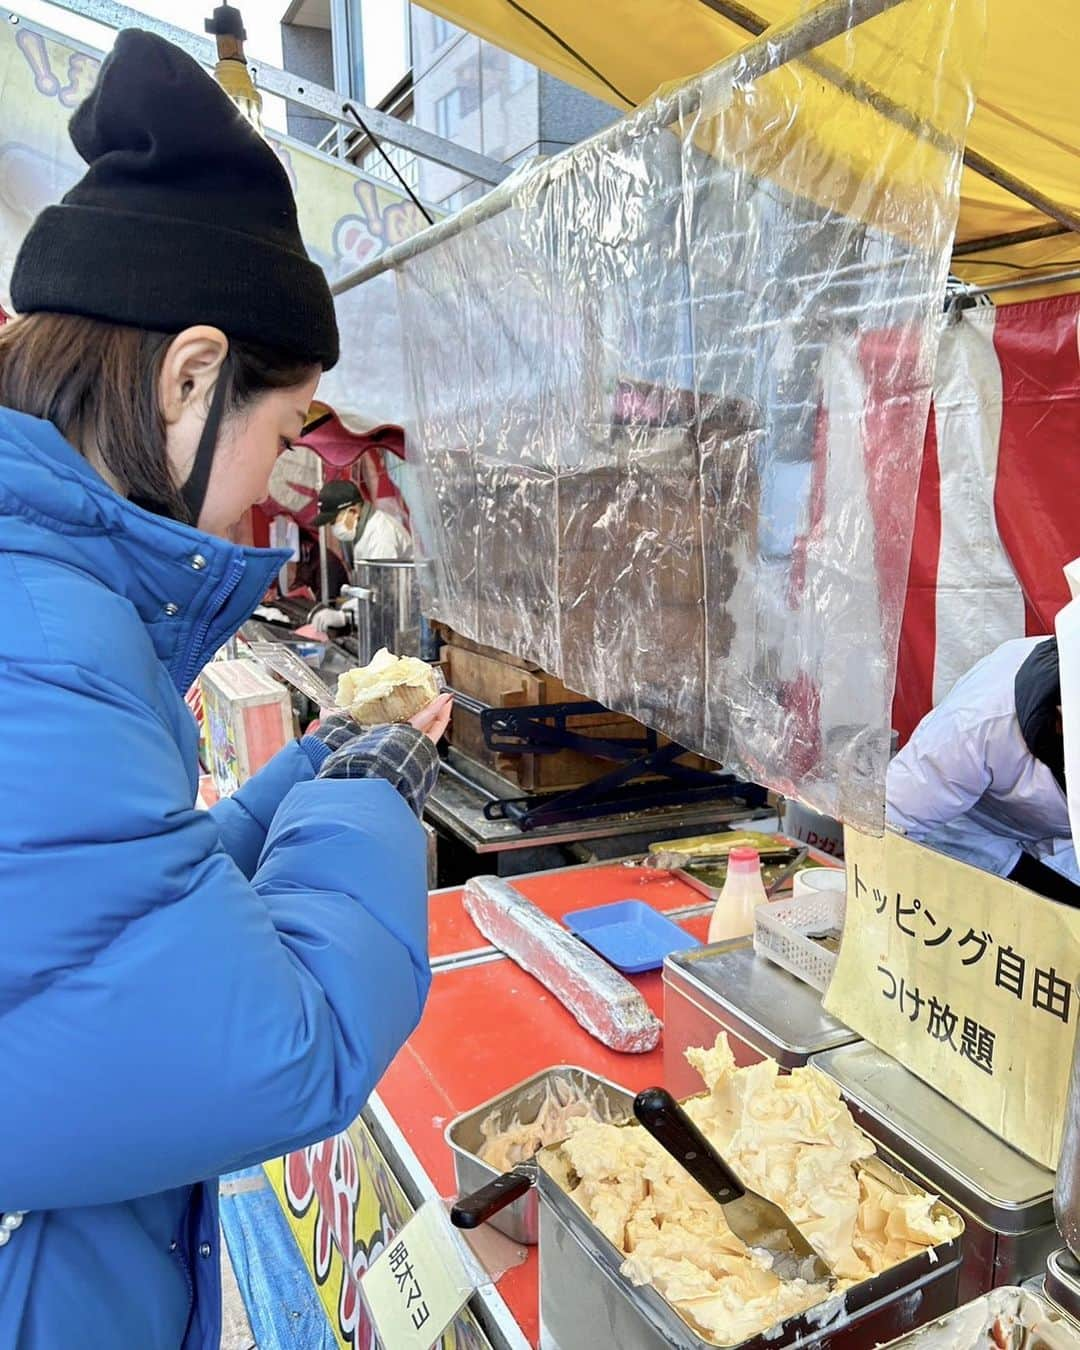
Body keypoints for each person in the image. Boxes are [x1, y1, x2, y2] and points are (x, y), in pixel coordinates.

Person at [0, 31, 451, 1349]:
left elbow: (108, 932)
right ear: (192, 374)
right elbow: (283, 1046)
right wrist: (368, 795)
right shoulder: (43, 628)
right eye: (282, 426)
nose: (274, 480)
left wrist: (306, 774)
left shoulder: (47, 588)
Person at [887, 635, 1080, 905]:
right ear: (1062, 718)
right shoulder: (976, 723)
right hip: (969, 834)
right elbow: (893, 823)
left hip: (1062, 844)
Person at [310, 478, 413, 635]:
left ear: (353, 511)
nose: (333, 528)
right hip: (385, 620)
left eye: (333, 522)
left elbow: (382, 594)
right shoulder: (361, 533)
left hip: (403, 623)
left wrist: (344, 616)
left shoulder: (381, 534)